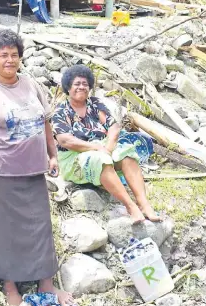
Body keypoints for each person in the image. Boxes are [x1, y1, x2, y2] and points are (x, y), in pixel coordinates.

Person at [0, 28, 75, 306]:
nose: (10, 60)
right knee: (5, 232)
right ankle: (10, 286)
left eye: (14, 55)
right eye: (3, 55)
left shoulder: (31, 85)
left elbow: (45, 122)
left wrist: (52, 156)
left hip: (33, 172)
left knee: (40, 228)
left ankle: (46, 284)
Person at [51, 65, 161, 224]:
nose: (82, 87)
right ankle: (131, 207)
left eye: (85, 84)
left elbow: (114, 127)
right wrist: (97, 148)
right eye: (77, 84)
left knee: (127, 154)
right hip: (73, 157)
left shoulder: (94, 104)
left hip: (102, 147)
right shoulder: (61, 111)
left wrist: (108, 148)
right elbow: (66, 141)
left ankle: (144, 204)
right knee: (100, 159)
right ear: (68, 87)